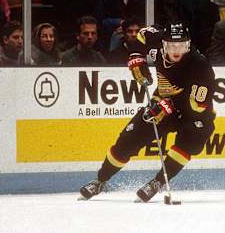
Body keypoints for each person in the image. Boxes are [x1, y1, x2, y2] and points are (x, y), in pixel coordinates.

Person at [79, 23, 216, 202]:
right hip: (162, 103)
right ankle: (100, 181)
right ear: (163, 44)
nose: (176, 51)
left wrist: (168, 106)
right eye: (172, 46)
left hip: (195, 113)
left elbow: (196, 105)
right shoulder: (156, 42)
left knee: (191, 138)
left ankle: (157, 182)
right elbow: (142, 34)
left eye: (181, 46)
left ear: (188, 45)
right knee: (128, 139)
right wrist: (136, 56)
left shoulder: (199, 64)